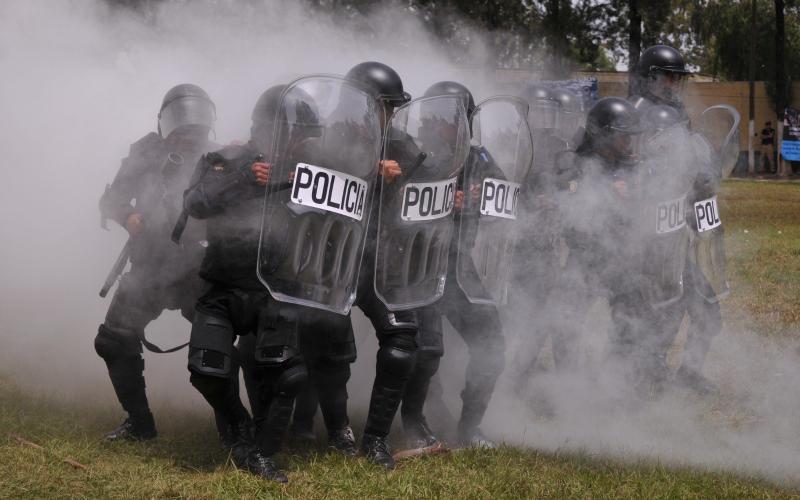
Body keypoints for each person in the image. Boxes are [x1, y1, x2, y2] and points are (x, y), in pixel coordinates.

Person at [181, 85, 318, 483]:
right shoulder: (226, 158)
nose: (300, 142)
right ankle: (238, 428)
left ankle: (262, 453)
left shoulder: (308, 169)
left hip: (275, 289)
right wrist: (245, 177)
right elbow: (195, 203)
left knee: (288, 375)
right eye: (295, 133)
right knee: (206, 371)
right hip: (223, 283)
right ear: (272, 128)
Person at [95, 84, 217, 441]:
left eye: (194, 130)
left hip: (200, 270)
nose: (187, 137)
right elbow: (112, 200)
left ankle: (237, 428)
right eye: (181, 129)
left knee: (218, 351)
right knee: (114, 340)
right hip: (150, 266)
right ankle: (140, 423)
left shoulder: (219, 158)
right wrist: (129, 215)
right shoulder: (146, 152)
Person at [397, 81, 507, 453]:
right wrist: (442, 198)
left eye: (451, 119)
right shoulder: (410, 153)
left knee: (492, 343)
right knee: (423, 350)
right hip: (414, 267)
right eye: (437, 117)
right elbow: (390, 209)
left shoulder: (479, 158)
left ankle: (470, 426)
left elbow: (505, 198)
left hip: (458, 267)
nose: (441, 125)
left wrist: (481, 193)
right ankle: (423, 416)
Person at [631, 45, 724, 396]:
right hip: (646, 240)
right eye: (667, 77)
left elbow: (690, 160)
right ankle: (645, 374)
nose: (673, 85)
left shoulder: (678, 115)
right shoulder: (634, 115)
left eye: (677, 78)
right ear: (649, 78)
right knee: (660, 311)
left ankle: (688, 373)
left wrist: (705, 177)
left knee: (708, 312)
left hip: (677, 233)